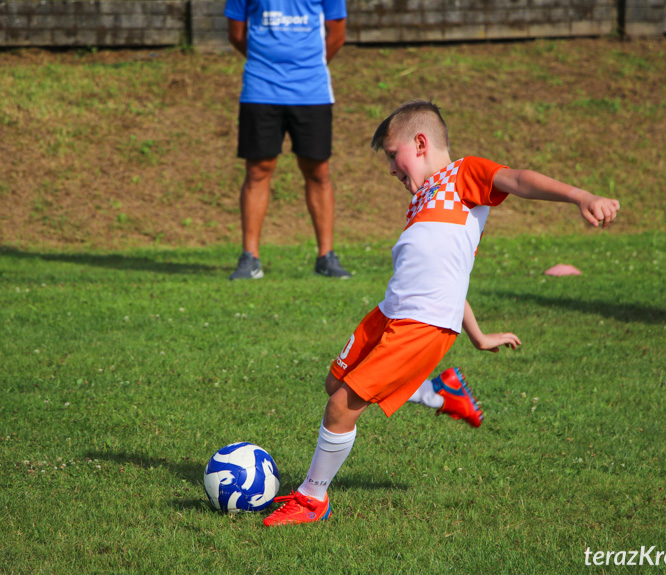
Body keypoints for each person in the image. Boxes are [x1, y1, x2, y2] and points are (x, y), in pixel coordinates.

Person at [262, 100, 620, 526]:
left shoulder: (463, 175)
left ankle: (311, 499)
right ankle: (437, 391)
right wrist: (479, 335)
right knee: (333, 382)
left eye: (394, 156)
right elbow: (451, 278)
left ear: (420, 142)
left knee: (342, 406)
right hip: (389, 311)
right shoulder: (421, 201)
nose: (392, 169)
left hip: (422, 324)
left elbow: (521, 180)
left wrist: (583, 196)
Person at [224, 0, 351, 280]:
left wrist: (306, 68)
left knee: (318, 171)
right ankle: (250, 258)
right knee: (257, 170)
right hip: (260, 90)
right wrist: (266, 64)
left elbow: (337, 35)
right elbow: (236, 34)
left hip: (312, 92)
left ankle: (326, 257)